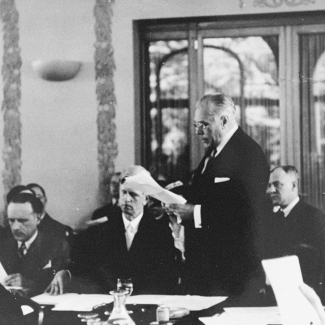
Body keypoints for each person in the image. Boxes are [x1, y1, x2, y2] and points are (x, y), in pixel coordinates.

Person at [166, 93, 270, 298]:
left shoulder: (249, 154)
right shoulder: (213, 151)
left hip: (232, 274)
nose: (197, 131)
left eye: (203, 124)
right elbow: (212, 194)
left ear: (223, 120)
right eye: (196, 125)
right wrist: (175, 194)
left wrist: (195, 213)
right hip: (206, 271)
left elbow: (245, 211)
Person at [71, 166, 179, 295]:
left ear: (146, 199)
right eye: (124, 192)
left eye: (133, 194)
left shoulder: (161, 232)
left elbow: (166, 277)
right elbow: (86, 265)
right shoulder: (103, 229)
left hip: (145, 303)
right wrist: (65, 273)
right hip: (108, 301)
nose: (127, 199)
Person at [265, 165, 325, 293]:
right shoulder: (272, 219)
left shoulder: (313, 217)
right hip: (275, 295)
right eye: (269, 185)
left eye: (277, 184)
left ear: (294, 185)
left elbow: (318, 266)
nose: (270, 190)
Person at [0, 192, 71, 296]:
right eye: (11, 220)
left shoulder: (57, 246)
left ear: (38, 218)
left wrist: (28, 284)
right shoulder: (3, 247)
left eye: (22, 220)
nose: (15, 227)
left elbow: (61, 282)